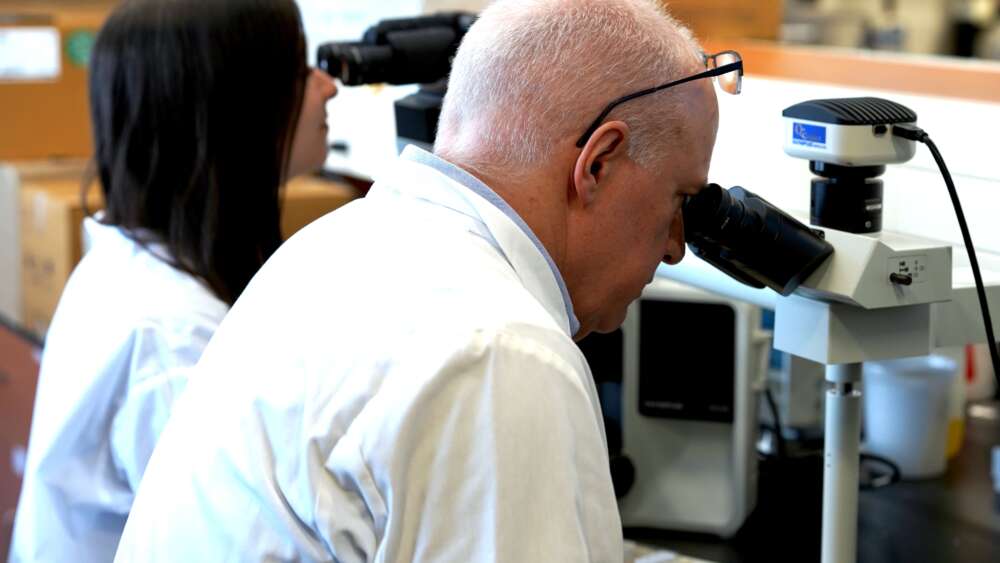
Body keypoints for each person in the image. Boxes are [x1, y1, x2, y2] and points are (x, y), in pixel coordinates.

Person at [114, 0, 726, 560]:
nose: (674, 247)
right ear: (597, 163)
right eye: (678, 199)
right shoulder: (498, 350)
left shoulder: (342, 243)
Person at [9, 0, 337, 561]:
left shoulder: (126, 263)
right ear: (236, 108)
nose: (328, 86)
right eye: (299, 67)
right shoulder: (174, 342)